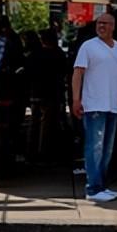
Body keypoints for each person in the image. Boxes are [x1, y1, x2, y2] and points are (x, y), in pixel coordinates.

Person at [72, 13, 117, 203]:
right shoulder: (88, 46)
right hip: (94, 103)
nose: (102, 26)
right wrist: (76, 99)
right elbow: (78, 73)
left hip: (113, 104)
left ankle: (101, 185)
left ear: (113, 26)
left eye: (106, 23)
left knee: (107, 148)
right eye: (99, 23)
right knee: (94, 146)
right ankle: (93, 187)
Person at [26, 28, 71, 164]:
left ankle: (31, 151)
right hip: (52, 92)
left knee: (34, 123)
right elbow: (64, 72)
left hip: (36, 91)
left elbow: (28, 72)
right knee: (47, 123)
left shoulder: (34, 55)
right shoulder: (59, 55)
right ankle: (43, 152)